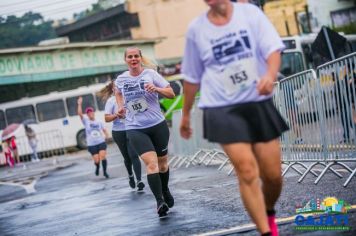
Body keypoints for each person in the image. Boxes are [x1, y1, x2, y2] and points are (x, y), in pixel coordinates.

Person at [180, 1, 288, 236]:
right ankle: (266, 232)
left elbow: (272, 50)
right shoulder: (196, 30)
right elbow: (191, 77)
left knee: (273, 176)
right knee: (247, 170)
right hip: (221, 108)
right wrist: (186, 115)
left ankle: (267, 209)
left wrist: (269, 75)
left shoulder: (249, 14)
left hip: (257, 101)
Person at [114, 47, 175, 218]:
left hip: (157, 125)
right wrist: (120, 107)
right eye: (129, 57)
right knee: (152, 164)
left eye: (136, 56)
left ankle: (165, 189)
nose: (133, 59)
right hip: (135, 128)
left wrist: (156, 89)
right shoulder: (121, 79)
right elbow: (117, 93)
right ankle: (159, 202)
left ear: (140, 58)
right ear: (126, 60)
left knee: (162, 164)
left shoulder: (151, 74)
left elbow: (171, 93)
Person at [98, 81, 145, 191]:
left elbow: (140, 109)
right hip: (118, 132)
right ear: (113, 89)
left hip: (131, 129)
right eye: (116, 87)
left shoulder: (129, 98)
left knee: (134, 155)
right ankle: (130, 175)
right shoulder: (111, 101)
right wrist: (116, 115)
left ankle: (139, 180)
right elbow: (106, 118)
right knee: (127, 158)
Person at [77, 97, 110, 178]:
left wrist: (106, 135)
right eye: (88, 113)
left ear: (93, 113)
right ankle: (97, 166)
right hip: (92, 144)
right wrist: (79, 104)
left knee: (102, 156)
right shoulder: (86, 121)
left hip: (100, 142)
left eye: (91, 112)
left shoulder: (99, 121)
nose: (90, 114)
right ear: (87, 115)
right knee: (97, 160)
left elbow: (104, 130)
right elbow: (80, 114)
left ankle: (105, 172)